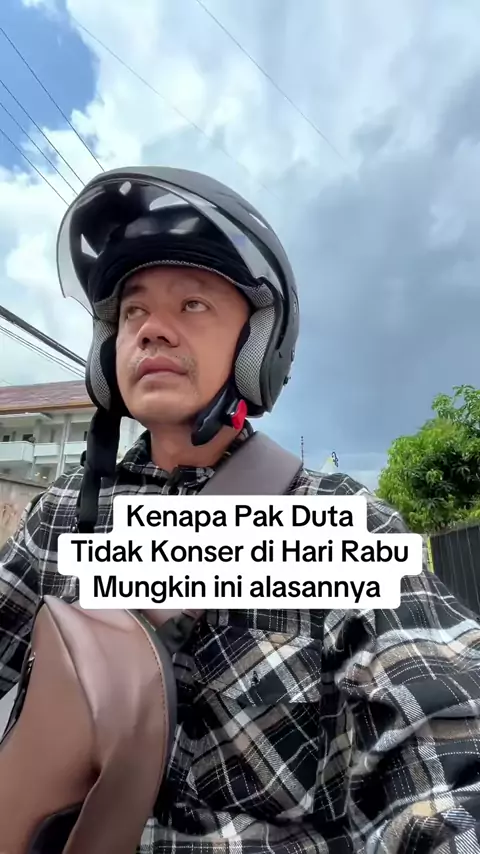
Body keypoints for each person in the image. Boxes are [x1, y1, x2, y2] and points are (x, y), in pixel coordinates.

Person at [1, 167, 480, 854]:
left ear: (257, 346)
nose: (152, 330)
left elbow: (440, 723)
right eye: (132, 312)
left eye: (192, 304)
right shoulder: (62, 518)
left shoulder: (335, 522)